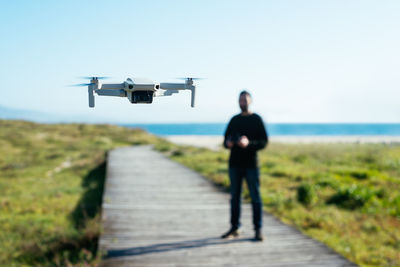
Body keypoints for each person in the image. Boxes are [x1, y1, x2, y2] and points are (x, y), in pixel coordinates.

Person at [221, 90, 268, 241]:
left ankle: (258, 229)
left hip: (251, 165)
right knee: (235, 197)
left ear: (251, 101)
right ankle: (235, 227)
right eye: (241, 100)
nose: (243, 103)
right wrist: (228, 143)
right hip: (234, 164)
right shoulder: (234, 120)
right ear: (238, 102)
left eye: (246, 100)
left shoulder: (257, 119)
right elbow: (225, 141)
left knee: (255, 197)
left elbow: (264, 142)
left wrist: (249, 144)